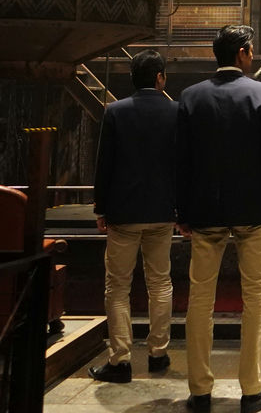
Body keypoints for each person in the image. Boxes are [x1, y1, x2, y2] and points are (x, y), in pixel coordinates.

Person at [176, 25, 261, 413]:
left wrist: (182, 211)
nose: (253, 55)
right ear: (241, 53)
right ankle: (252, 389)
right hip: (253, 211)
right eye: (251, 50)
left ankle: (200, 391)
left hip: (205, 210)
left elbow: (182, 161)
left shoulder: (191, 96)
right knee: (256, 298)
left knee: (199, 300)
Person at [89, 50, 178, 384]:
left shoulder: (115, 111)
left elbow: (104, 163)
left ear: (133, 78)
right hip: (162, 209)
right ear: (159, 77)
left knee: (117, 286)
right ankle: (158, 353)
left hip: (123, 211)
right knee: (160, 283)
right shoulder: (176, 111)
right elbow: (182, 163)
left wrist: (101, 207)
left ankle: (121, 360)